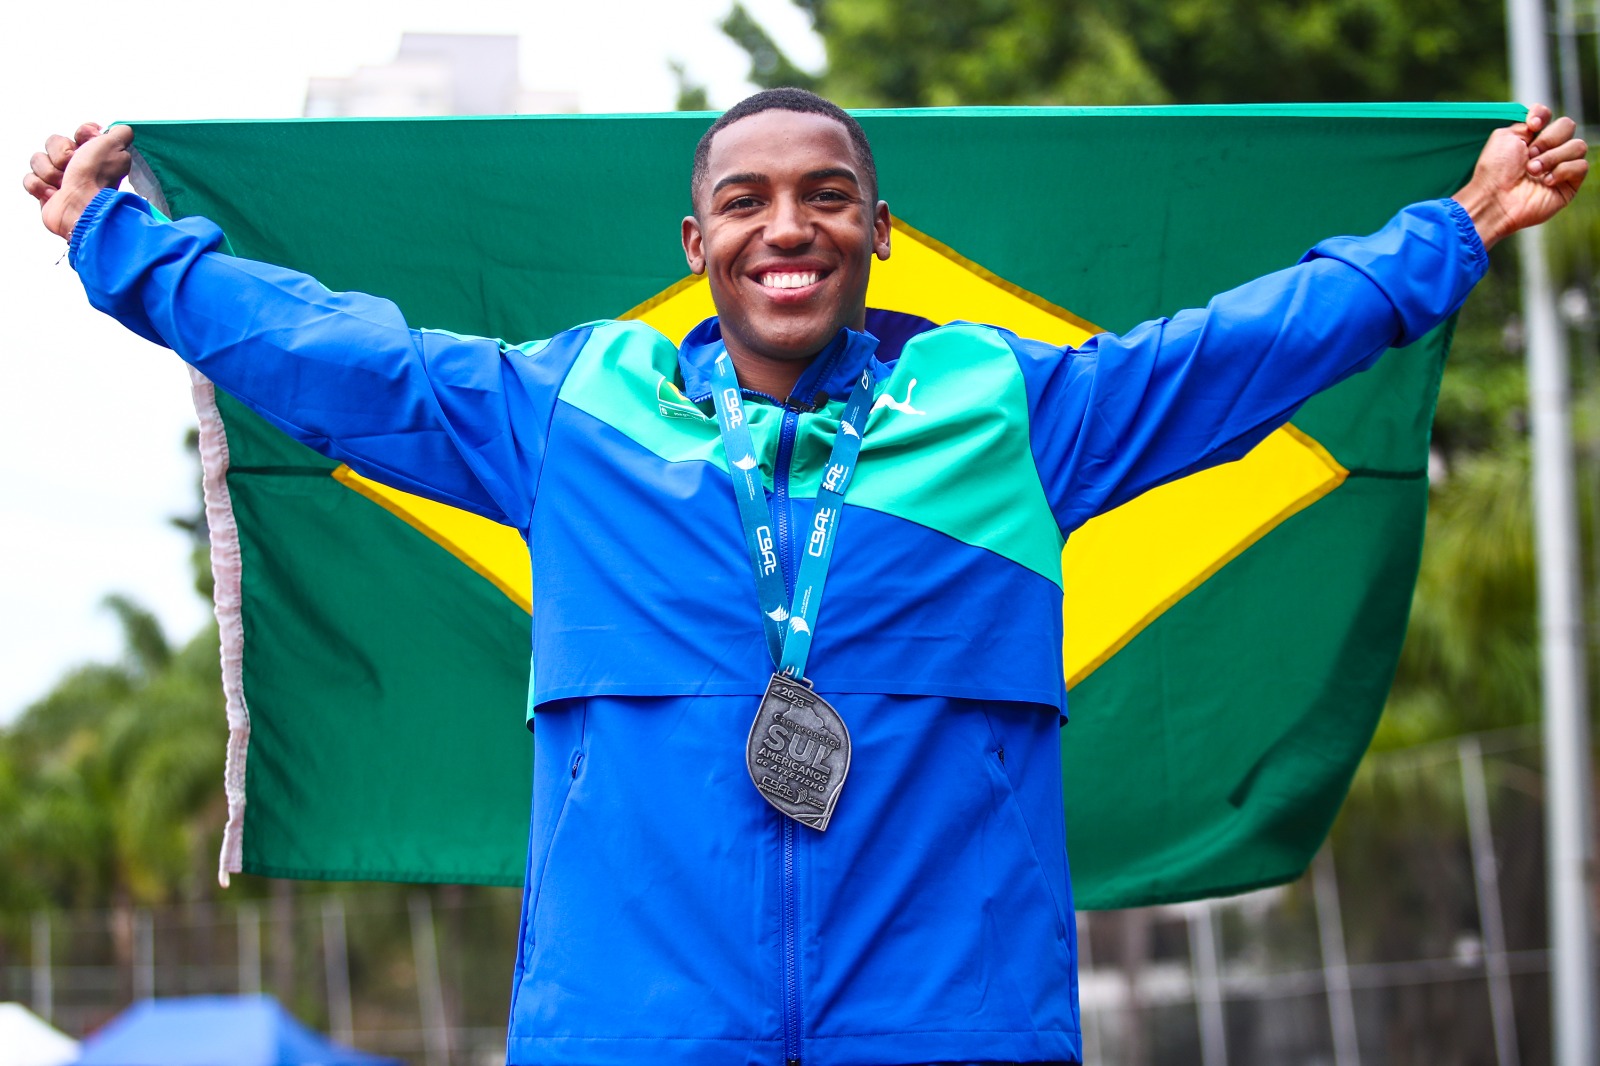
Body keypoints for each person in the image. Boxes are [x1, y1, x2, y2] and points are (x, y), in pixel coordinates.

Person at [24, 89, 1587, 1066]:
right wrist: (125, 248)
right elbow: (328, 358)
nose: (791, 224)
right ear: (695, 236)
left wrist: (1454, 230)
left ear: (880, 232)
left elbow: (1245, 350)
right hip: (635, 1029)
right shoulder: (571, 415)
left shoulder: (1009, 416)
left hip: (952, 1025)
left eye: (829, 194)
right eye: (751, 199)